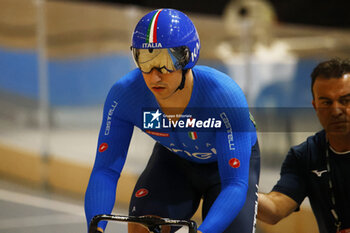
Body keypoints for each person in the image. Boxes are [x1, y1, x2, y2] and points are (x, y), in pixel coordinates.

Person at [84, 8, 260, 233]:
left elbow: (234, 185)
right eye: (145, 60)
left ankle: (269, 203)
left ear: (188, 57)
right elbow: (105, 170)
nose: (154, 75)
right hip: (175, 161)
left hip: (226, 170)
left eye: (165, 61)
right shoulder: (125, 96)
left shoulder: (225, 97)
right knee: (142, 229)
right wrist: (95, 228)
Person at [257, 58, 350, 233]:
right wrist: (238, 188)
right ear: (315, 106)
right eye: (326, 102)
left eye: (345, 100)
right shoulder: (306, 155)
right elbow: (275, 210)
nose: (336, 111)